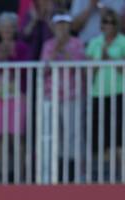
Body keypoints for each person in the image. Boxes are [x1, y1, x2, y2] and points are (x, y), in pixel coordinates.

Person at [40, 13, 85, 181]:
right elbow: (43, 70)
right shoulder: (48, 45)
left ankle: (76, 173)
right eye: (59, 25)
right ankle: (52, 173)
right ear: (53, 27)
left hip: (72, 95)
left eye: (65, 25)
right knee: (51, 135)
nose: (62, 28)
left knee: (73, 135)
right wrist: (54, 52)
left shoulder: (77, 43)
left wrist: (64, 51)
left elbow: (79, 68)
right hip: (51, 96)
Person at [0, 12, 30, 182]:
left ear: (15, 29)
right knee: (2, 137)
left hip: (18, 97)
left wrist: (12, 56)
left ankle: (20, 175)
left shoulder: (21, 47)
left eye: (10, 27)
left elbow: (26, 69)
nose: (7, 30)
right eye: (4, 27)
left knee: (18, 137)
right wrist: (0, 58)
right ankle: (3, 175)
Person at [86, 7, 125, 167]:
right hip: (98, 93)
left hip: (119, 92)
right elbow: (89, 72)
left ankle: (120, 173)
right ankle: (104, 172)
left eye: (111, 22)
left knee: (119, 135)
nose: (108, 25)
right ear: (101, 25)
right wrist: (101, 59)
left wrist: (110, 59)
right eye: (105, 22)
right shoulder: (95, 42)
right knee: (101, 134)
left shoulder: (123, 41)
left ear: (117, 24)